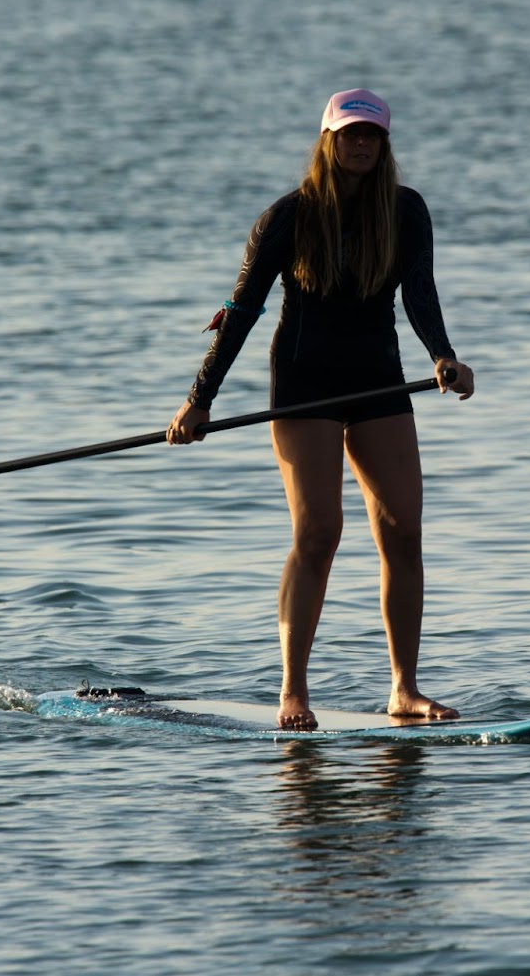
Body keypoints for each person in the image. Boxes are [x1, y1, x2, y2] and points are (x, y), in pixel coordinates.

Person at [167, 88, 475, 731]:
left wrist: (443, 355)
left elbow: (420, 291)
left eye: (373, 137)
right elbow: (242, 312)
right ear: (328, 142)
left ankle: (404, 690)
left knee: (403, 531)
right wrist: (200, 400)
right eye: (350, 135)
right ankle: (292, 693)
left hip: (378, 380)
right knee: (318, 534)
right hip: (305, 384)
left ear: (384, 146)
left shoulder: (406, 210)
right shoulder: (288, 216)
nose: (361, 145)